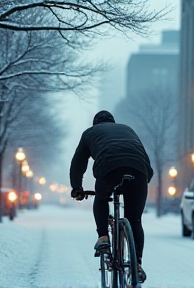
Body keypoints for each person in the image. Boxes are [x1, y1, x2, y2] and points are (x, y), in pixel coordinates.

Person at [69, 110, 153, 283]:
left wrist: (77, 187)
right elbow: (145, 159)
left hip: (109, 169)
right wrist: (143, 180)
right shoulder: (127, 129)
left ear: (96, 124)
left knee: (101, 198)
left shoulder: (89, 133)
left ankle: (103, 237)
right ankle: (136, 264)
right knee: (135, 220)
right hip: (138, 171)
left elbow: (78, 163)